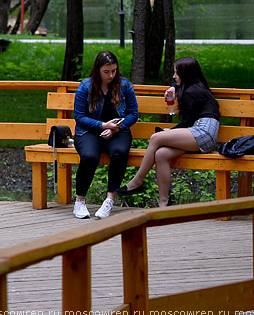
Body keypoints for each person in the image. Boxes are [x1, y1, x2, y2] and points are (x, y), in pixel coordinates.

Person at [117, 56, 220, 207]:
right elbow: (189, 122)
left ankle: (137, 181)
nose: (174, 76)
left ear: (185, 74)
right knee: (161, 155)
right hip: (198, 131)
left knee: (156, 138)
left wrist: (169, 131)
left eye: (176, 73)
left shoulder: (192, 92)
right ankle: (164, 203)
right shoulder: (194, 86)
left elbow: (187, 122)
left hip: (204, 132)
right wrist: (174, 86)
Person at [72, 51, 139, 219]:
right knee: (89, 156)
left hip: (118, 131)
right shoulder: (85, 86)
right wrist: (102, 125)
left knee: (119, 152)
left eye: (114, 71)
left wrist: (116, 127)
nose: (111, 75)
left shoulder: (124, 85)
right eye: (106, 71)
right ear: (97, 70)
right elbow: (79, 118)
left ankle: (110, 199)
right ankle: (79, 200)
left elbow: (133, 113)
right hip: (89, 131)